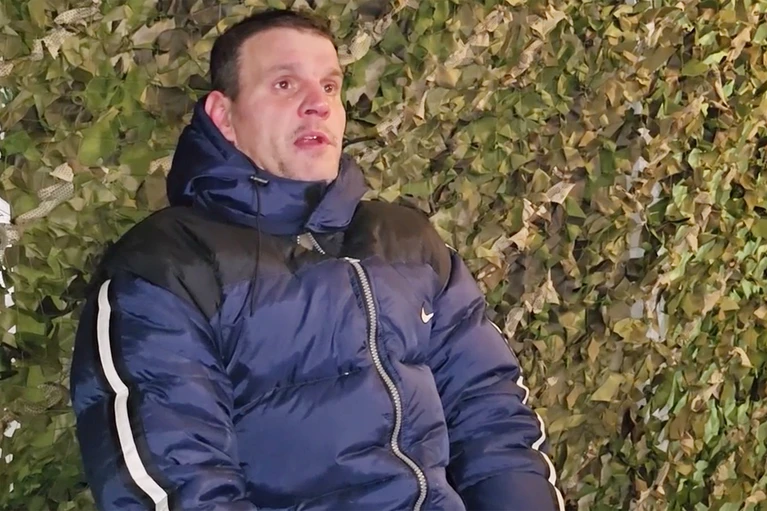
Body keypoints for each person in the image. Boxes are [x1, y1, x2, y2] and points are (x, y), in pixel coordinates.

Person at [69, 8, 564, 511]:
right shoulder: (168, 267)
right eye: (285, 84)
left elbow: (492, 413)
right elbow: (179, 485)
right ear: (224, 117)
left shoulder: (405, 241)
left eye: (329, 86)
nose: (318, 105)